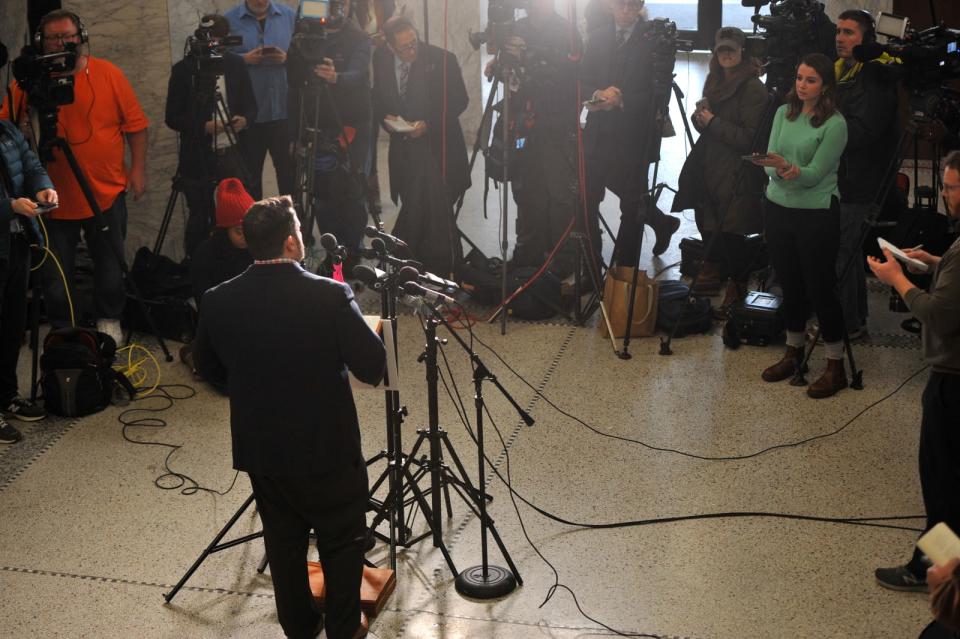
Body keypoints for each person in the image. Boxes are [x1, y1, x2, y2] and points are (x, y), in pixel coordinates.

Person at [193, 195, 385, 639]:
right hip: (328, 450)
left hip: (263, 451)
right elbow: (372, 368)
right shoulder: (330, 296)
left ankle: (299, 626)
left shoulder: (218, 300)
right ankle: (342, 629)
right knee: (341, 542)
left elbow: (209, 368)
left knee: (283, 541)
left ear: (251, 244)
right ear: (294, 243)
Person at [0, 9, 149, 345]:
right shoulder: (27, 84)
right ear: (41, 42)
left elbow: (136, 127)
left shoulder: (108, 74)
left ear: (80, 36)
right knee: (55, 273)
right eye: (53, 37)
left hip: (106, 192)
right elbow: (3, 131)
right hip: (51, 198)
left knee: (110, 265)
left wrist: (137, 170)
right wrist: (24, 129)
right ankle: (63, 329)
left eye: (67, 36)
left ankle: (108, 319)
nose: (62, 43)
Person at [870, 151, 960, 595]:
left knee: (942, 486)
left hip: (953, 382)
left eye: (952, 187)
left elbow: (938, 315)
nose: (945, 196)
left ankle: (931, 570)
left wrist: (898, 281)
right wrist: (936, 264)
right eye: (944, 186)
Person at [751, 53, 848, 398]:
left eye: (811, 80)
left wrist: (792, 171)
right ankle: (793, 353)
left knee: (820, 287)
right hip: (778, 208)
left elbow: (816, 174)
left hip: (817, 212)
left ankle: (835, 364)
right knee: (789, 282)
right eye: (799, 78)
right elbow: (767, 159)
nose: (802, 86)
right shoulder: (782, 112)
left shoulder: (835, 124)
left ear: (825, 87)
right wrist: (778, 169)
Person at [581, 0, 681, 269]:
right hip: (598, 134)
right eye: (619, 5)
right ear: (610, 6)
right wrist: (597, 94)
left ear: (640, 5)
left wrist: (623, 100)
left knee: (632, 206)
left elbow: (660, 94)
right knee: (587, 200)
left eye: (631, 5)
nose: (625, 11)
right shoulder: (598, 36)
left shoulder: (653, 41)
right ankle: (592, 266)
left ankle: (624, 272)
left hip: (634, 135)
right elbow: (582, 80)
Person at [673, 26, 769, 304]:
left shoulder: (753, 88)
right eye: (721, 50)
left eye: (732, 49)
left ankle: (737, 285)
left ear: (742, 52)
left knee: (733, 229)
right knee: (707, 216)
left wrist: (712, 122)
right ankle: (712, 270)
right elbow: (707, 125)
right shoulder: (714, 80)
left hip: (737, 168)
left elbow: (751, 139)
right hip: (710, 162)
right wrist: (699, 118)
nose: (726, 54)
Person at [372, 15, 469, 275]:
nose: (412, 50)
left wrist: (429, 124)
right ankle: (413, 266)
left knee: (433, 209)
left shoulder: (441, 59)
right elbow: (378, 98)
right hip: (403, 150)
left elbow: (459, 100)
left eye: (414, 42)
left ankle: (434, 267)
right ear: (391, 47)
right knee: (412, 203)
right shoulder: (380, 59)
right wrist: (386, 119)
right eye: (404, 47)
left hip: (438, 149)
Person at [165, 14, 258, 257]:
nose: (214, 44)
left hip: (233, 150)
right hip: (198, 153)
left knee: (242, 212)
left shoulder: (235, 64)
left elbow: (251, 105)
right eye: (210, 38)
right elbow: (172, 117)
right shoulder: (185, 70)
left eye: (220, 40)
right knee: (200, 213)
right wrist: (203, 126)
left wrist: (245, 120)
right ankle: (197, 263)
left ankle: (242, 262)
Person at [501, 0, 582, 277]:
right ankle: (527, 253)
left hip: (556, 122)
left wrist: (533, 60)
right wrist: (501, 64)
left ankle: (562, 257)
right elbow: (509, 70)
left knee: (558, 191)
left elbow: (572, 77)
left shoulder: (567, 31)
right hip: (523, 124)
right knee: (525, 188)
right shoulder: (516, 26)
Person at [833, 9, 900, 341]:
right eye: (838, 31)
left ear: (866, 40)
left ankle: (846, 324)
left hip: (861, 179)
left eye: (848, 32)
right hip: (844, 175)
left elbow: (863, 133)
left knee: (842, 250)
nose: (840, 38)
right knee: (846, 250)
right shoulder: (844, 71)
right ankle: (854, 319)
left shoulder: (873, 76)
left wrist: (825, 130)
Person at [287, 0, 373, 258]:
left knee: (354, 189)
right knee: (322, 193)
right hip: (316, 123)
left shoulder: (358, 37)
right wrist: (294, 133)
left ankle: (354, 249)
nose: (338, 8)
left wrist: (336, 77)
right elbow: (293, 84)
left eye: (343, 3)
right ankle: (333, 251)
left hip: (353, 122)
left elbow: (358, 73)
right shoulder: (303, 37)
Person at [0, 119, 57, 444]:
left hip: (17, 245)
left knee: (12, 326)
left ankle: (7, 395)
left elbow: (31, 164)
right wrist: (9, 206)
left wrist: (42, 186)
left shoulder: (6, 131)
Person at [182, 178, 255, 393]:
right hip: (220, 324)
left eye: (248, 229)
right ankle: (192, 354)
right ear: (224, 229)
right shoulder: (205, 254)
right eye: (238, 232)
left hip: (252, 321)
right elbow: (206, 305)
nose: (245, 238)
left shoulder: (257, 247)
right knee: (228, 383)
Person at [225, 0, 297, 201]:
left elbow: (303, 55)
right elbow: (218, 57)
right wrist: (243, 60)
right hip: (249, 115)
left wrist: (287, 59)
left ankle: (292, 227)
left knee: (288, 176)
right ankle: (254, 228)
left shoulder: (289, 16)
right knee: (250, 178)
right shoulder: (229, 20)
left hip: (283, 111)